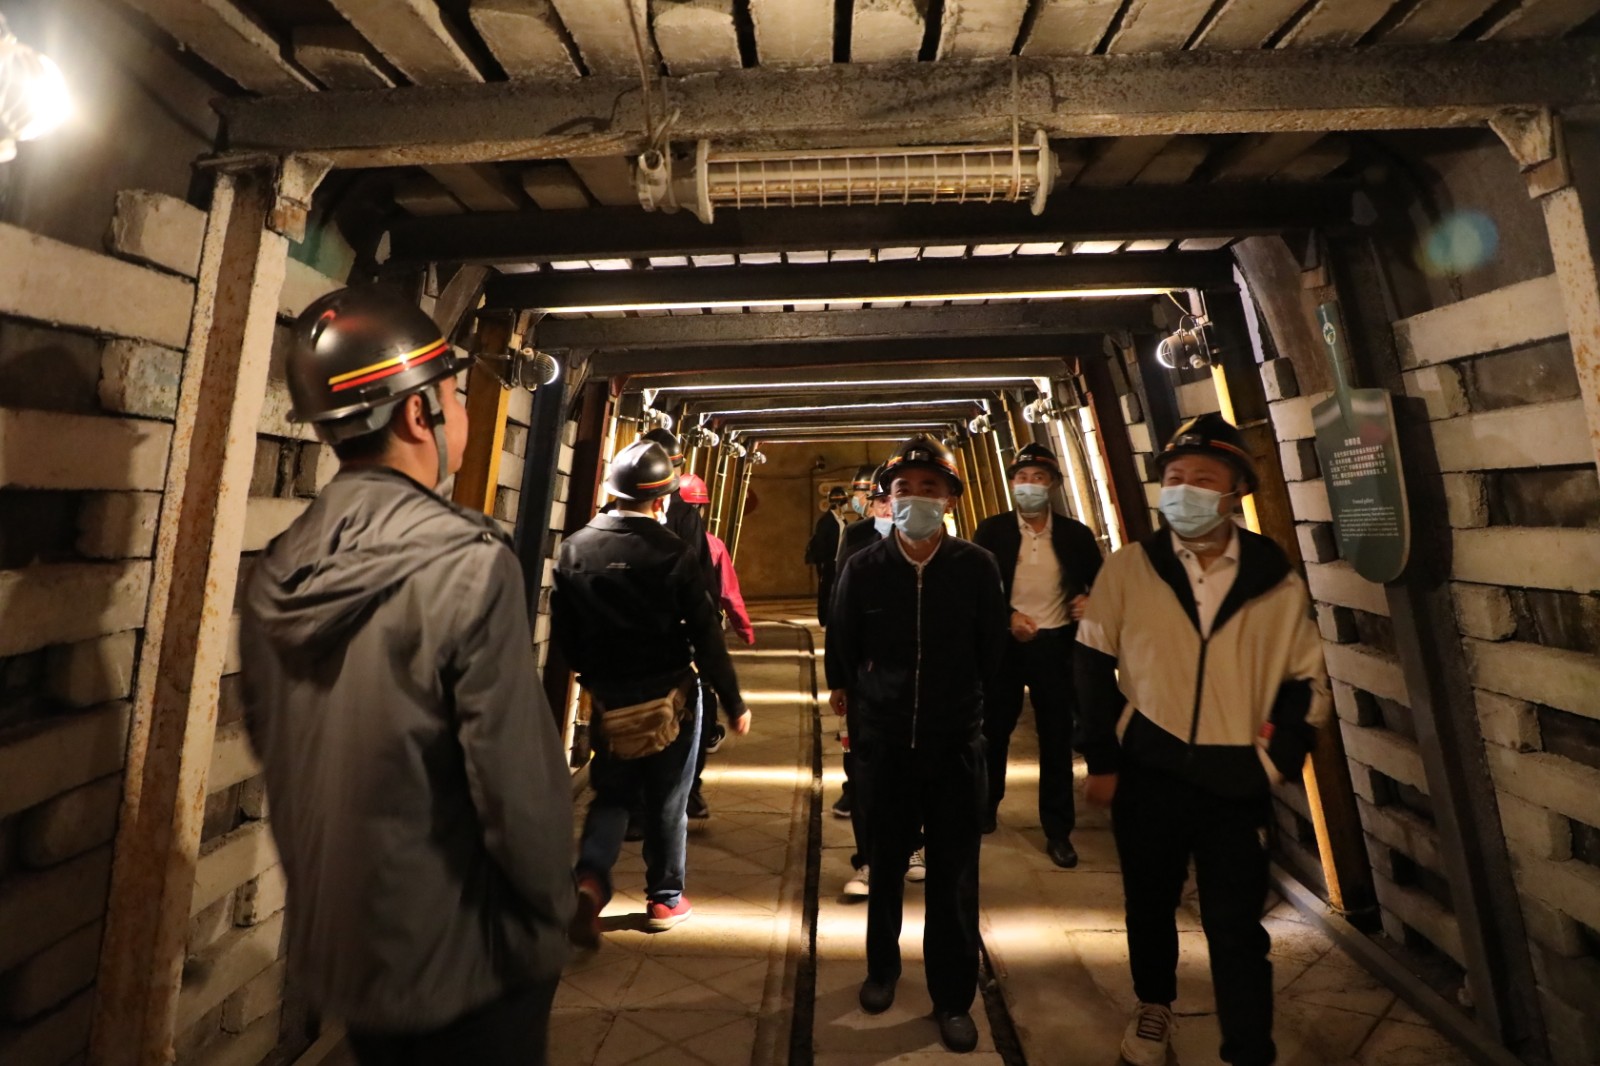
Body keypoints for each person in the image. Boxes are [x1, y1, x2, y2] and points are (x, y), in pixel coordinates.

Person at [240, 285, 574, 1066]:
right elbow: (517, 790)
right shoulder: (468, 564)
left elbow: (273, 745)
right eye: (454, 395)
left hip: (350, 956)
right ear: (418, 413)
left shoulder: (276, 569)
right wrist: (553, 912)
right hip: (470, 961)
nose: (460, 411)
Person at [1074, 414, 1330, 1066]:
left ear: (1234, 490)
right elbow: (1092, 665)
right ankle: (1153, 1005)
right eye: (1174, 477)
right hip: (1148, 769)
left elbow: (1304, 680)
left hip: (1234, 779)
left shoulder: (1272, 575)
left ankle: (1249, 1046)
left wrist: (1274, 762)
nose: (1183, 489)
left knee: (1236, 923)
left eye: (1202, 478)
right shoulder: (1131, 567)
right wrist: (1104, 756)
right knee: (1149, 904)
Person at [826, 436, 1008, 1054]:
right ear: (888, 499)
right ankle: (882, 971)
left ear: (950, 498)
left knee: (953, 878)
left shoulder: (976, 566)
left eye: (930, 488)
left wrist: (977, 720)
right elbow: (842, 640)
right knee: (884, 865)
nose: (916, 498)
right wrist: (857, 701)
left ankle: (952, 998)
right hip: (884, 743)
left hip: (955, 743)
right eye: (904, 489)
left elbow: (993, 651)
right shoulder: (864, 567)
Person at [554, 440, 751, 945]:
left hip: (610, 697)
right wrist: (732, 701)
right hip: (670, 698)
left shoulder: (575, 548)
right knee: (668, 799)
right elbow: (705, 635)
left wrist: (595, 681)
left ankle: (590, 878)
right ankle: (664, 898)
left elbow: (566, 635)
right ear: (663, 499)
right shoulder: (673, 552)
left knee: (612, 794)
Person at [971, 442, 1102, 869]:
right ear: (1012, 484)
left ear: (1053, 486)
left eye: (1038, 478)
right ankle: (986, 806)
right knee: (994, 729)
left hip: (1056, 647)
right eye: (1022, 478)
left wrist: (1090, 601)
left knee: (1056, 737)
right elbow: (976, 591)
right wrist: (1007, 616)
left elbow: (1101, 584)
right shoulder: (992, 532)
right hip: (1005, 647)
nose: (1029, 485)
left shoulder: (1075, 536)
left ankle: (1058, 830)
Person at [677, 472, 755, 815]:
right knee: (700, 705)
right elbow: (728, 593)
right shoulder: (713, 545)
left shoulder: (651, 546)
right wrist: (744, 629)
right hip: (699, 643)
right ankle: (691, 793)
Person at [806, 484, 849, 625]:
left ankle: (835, 617)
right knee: (825, 592)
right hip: (828, 562)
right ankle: (823, 620)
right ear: (839, 503)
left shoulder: (842, 520)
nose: (847, 506)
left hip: (839, 562)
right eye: (845, 503)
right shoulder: (826, 521)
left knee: (838, 592)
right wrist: (823, 563)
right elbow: (820, 543)